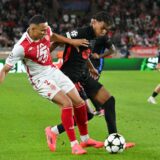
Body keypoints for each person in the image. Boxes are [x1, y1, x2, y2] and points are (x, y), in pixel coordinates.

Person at [0, 15, 104, 155]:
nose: (45, 32)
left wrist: (72, 42)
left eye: (46, 29)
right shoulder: (21, 47)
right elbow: (5, 69)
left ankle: (85, 139)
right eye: (42, 30)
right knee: (66, 103)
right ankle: (74, 145)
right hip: (40, 79)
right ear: (32, 29)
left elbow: (54, 36)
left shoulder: (45, 30)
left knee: (79, 102)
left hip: (52, 70)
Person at [50, 11, 135, 149]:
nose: (104, 31)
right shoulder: (81, 32)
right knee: (87, 114)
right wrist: (46, 55)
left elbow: (85, 53)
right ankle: (53, 131)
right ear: (94, 22)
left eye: (107, 29)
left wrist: (90, 67)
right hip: (69, 77)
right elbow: (56, 38)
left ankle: (114, 139)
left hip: (84, 75)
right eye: (103, 27)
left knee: (109, 101)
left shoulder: (95, 36)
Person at [89, 35, 117, 116]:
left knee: (91, 86)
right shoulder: (89, 34)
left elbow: (112, 50)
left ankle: (102, 108)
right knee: (88, 87)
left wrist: (99, 56)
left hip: (97, 64)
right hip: (88, 63)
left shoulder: (103, 37)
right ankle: (99, 109)